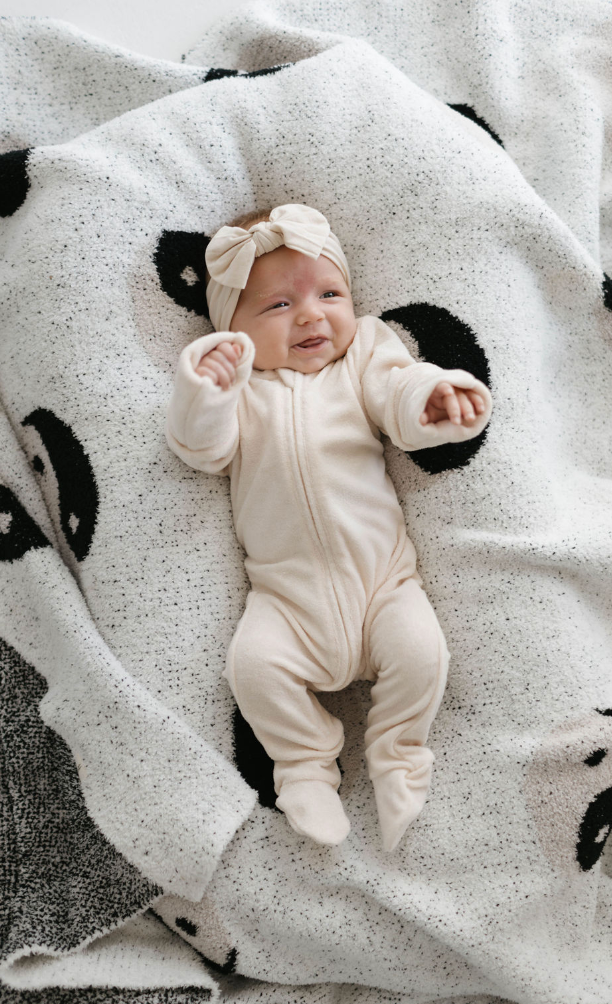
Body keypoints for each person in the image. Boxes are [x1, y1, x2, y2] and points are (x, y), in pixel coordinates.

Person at [166, 204, 492, 851]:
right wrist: (205, 391)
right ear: (233, 330)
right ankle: (305, 766)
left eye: (329, 293)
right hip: (285, 600)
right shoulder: (244, 391)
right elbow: (199, 448)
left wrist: (432, 402)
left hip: (383, 586)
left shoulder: (361, 354)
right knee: (253, 669)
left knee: (422, 654)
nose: (313, 314)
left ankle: (399, 757)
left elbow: (397, 393)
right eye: (279, 307)